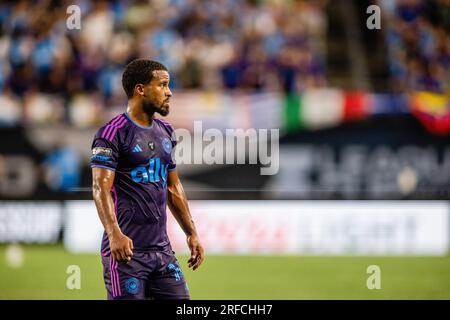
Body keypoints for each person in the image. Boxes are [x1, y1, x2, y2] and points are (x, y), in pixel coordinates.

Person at [90, 59, 204, 300]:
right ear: (140, 89)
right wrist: (114, 234)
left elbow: (173, 186)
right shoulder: (113, 133)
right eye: (162, 85)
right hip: (126, 254)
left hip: (163, 253)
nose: (169, 92)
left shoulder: (166, 131)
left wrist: (191, 232)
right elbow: (100, 188)